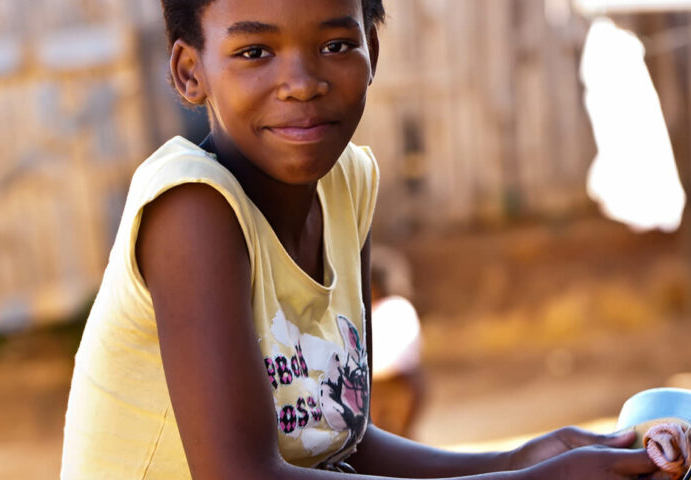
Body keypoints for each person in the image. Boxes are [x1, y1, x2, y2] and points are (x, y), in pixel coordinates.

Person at [60, 1, 658, 479]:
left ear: (373, 49)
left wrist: (525, 458)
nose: (301, 83)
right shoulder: (192, 208)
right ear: (190, 72)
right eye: (255, 52)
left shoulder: (346, 184)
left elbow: (345, 438)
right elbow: (242, 475)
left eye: (335, 45)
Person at [368, 247, 425, 438]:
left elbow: (394, 362)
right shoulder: (400, 307)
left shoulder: (389, 309)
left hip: (390, 387)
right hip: (403, 388)